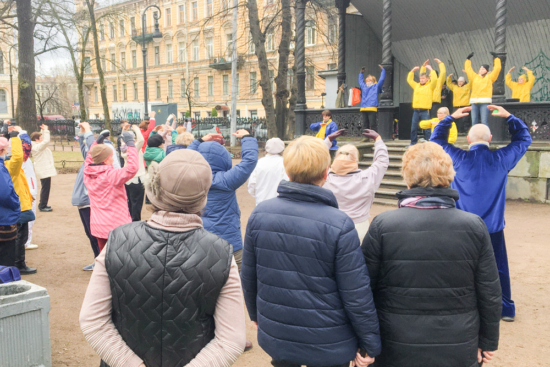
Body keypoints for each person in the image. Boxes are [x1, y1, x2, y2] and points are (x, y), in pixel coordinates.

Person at [80, 149, 246, 367]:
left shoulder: (118, 240)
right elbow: (231, 340)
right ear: (204, 197)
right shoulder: (222, 254)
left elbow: (93, 321)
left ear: (155, 189)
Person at [241, 135, 381, 367]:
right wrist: (370, 342)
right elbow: (356, 293)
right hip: (328, 338)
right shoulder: (340, 224)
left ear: (287, 171)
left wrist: (257, 316)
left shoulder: (260, 214)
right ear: (326, 174)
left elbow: (249, 276)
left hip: (279, 330)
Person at [361, 139, 502, 366]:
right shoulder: (473, 225)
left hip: (396, 342)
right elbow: (490, 291)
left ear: (407, 175)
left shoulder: (384, 224)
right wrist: (488, 341)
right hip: (458, 341)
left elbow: (364, 287)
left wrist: (366, 341)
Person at [431, 105, 532, 322]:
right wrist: (510, 117)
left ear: (468, 139)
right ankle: (506, 308)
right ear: (491, 138)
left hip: (462, 225)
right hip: (493, 226)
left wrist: (449, 119)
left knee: (459, 267)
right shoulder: (502, 159)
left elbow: (436, 141)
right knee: (499, 269)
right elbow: (524, 139)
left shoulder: (458, 158)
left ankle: (458, 306)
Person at [189, 129, 257, 352]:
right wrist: (246, 138)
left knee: (202, 289)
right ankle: (235, 337)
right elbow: (249, 160)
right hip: (230, 244)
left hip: (199, 242)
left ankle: (206, 335)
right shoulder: (227, 180)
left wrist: (199, 141)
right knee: (234, 292)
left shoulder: (193, 177)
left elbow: (185, 157)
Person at [323, 129, 389, 240]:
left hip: (332, 225)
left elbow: (316, 159)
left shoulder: (326, 178)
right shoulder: (367, 178)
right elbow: (382, 162)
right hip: (359, 228)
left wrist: (327, 141)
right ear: (356, 160)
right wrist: (378, 140)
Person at [83, 130, 139, 252]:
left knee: (104, 258)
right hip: (117, 225)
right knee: (120, 259)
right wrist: (131, 145)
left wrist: (96, 144)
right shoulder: (111, 176)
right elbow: (132, 168)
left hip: (98, 226)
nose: (113, 159)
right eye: (111, 157)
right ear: (107, 159)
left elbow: (88, 160)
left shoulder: (87, 174)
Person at [6, 127, 37, 274]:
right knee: (19, 236)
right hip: (19, 206)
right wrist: (14, 136)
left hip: (18, 204)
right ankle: (19, 264)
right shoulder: (9, 166)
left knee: (17, 236)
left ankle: (17, 263)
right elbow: (19, 156)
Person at [71, 122, 100, 271]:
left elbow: (92, 148)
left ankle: (101, 262)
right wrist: (82, 133)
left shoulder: (95, 165)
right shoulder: (89, 162)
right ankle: (98, 260)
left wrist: (88, 132)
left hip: (89, 202)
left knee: (94, 234)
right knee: (90, 234)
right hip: (83, 203)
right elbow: (86, 151)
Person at [247, 137, 288, 206]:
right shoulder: (285, 163)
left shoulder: (259, 163)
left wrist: (258, 195)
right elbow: (287, 182)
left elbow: (251, 184)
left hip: (261, 203)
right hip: (279, 204)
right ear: (282, 150)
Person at [464, 52, 501, 126]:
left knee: (484, 121)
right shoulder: (475, 77)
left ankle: (485, 136)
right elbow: (468, 70)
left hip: (484, 102)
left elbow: (497, 69)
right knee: (474, 121)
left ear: (486, 70)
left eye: (483, 69)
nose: (481, 70)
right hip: (474, 102)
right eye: (480, 69)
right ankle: (474, 136)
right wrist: (468, 60)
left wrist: (496, 58)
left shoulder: (490, 77)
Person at [0, 136, 20, 267]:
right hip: (3, 218)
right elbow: (5, 193)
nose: (7, 153)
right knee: (6, 257)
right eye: (5, 150)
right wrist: (16, 204)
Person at [120, 124, 147, 222]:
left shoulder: (124, 149)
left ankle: (129, 221)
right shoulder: (134, 148)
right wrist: (136, 129)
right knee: (137, 204)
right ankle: (135, 223)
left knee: (130, 203)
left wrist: (124, 130)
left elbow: (123, 140)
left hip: (128, 179)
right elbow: (141, 140)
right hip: (137, 179)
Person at [407, 63, 437, 145]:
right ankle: (413, 143)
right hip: (416, 110)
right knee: (413, 128)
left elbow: (434, 80)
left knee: (427, 128)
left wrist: (431, 70)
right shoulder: (416, 86)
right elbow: (409, 80)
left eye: (423, 78)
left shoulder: (430, 86)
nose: (421, 80)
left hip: (425, 110)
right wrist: (412, 71)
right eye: (420, 78)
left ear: (427, 79)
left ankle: (429, 142)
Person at [30, 124, 57, 212]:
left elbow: (43, 141)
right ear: (36, 139)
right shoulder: (37, 147)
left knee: (45, 187)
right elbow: (45, 142)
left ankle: (43, 204)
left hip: (44, 169)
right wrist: (46, 131)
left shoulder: (36, 145)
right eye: (40, 137)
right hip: (43, 170)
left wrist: (43, 131)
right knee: (45, 188)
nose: (42, 139)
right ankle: (42, 205)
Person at [20, 130, 38, 250]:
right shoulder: (21, 157)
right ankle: (25, 241)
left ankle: (25, 241)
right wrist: (21, 131)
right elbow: (27, 144)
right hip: (28, 191)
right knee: (28, 217)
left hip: (28, 189)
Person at [358, 65, 386, 133]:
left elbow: (381, 79)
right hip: (364, 107)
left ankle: (374, 137)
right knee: (365, 124)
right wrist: (361, 73)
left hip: (372, 106)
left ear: (373, 81)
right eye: (367, 80)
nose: (367, 81)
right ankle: (366, 137)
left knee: (373, 124)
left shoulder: (376, 86)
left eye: (369, 80)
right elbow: (360, 81)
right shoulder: (364, 86)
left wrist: (383, 70)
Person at [420, 58, 447, 124]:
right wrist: (423, 67)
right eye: (430, 75)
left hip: (435, 102)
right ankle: (427, 133)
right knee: (426, 119)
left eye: (432, 75)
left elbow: (443, 73)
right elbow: (422, 76)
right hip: (427, 103)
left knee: (434, 118)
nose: (430, 76)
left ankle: (434, 131)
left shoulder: (439, 81)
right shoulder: (427, 82)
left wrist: (440, 63)